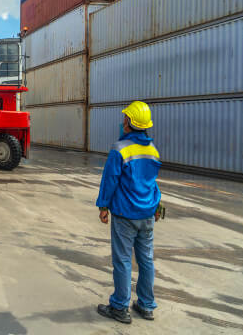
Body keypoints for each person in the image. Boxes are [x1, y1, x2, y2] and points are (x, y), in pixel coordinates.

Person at [95, 101, 163, 324]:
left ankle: (119, 307)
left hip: (125, 215)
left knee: (123, 260)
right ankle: (145, 305)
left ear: (130, 122)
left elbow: (110, 181)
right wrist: (157, 203)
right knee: (146, 260)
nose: (122, 120)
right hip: (147, 214)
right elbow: (151, 183)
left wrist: (103, 206)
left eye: (125, 117)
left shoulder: (120, 149)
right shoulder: (153, 151)